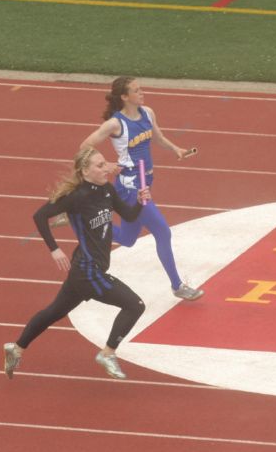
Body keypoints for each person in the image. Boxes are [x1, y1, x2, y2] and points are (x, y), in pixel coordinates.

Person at [3, 146, 150, 380]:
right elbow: (40, 216)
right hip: (87, 271)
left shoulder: (107, 191)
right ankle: (108, 353)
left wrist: (141, 202)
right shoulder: (76, 197)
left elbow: (129, 216)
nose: (106, 168)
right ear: (85, 170)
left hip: (87, 269)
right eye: (100, 165)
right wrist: (54, 250)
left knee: (53, 312)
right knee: (135, 305)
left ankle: (16, 348)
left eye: (105, 164)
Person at [79, 76, 203, 301]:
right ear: (124, 97)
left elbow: (159, 138)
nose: (142, 93)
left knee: (127, 239)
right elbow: (85, 146)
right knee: (163, 232)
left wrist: (176, 149)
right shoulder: (115, 124)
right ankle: (177, 286)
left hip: (146, 180)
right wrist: (107, 166)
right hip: (131, 188)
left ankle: (85, 221)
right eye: (136, 91)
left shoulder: (148, 113)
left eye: (141, 89)